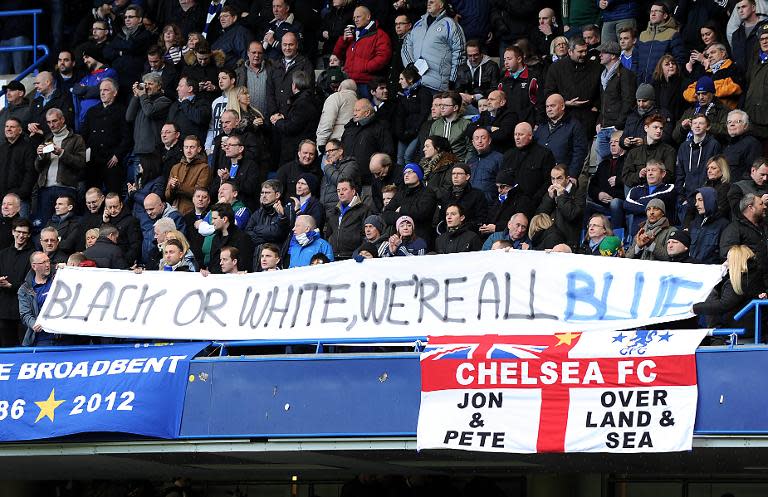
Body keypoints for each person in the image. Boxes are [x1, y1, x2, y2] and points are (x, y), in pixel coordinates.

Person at [694, 245, 765, 337]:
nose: (725, 263)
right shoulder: (755, 275)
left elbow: (724, 304)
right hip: (754, 329)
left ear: (735, 261)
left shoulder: (739, 281)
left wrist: (695, 308)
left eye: (728, 260)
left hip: (741, 332)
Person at [33, 109, 86, 229]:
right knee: (44, 226)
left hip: (66, 188)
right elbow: (37, 168)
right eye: (49, 122)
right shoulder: (47, 139)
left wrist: (62, 153)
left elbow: (81, 163)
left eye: (55, 121)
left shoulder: (76, 139)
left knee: (65, 227)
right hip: (46, 189)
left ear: (62, 120)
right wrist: (40, 156)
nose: (52, 125)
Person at [401, 0, 466, 93]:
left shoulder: (450, 25)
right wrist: (410, 65)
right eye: (428, 1)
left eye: (432, 1)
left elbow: (459, 52)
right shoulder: (418, 24)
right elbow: (406, 46)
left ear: (441, 5)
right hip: (415, 84)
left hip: (437, 86)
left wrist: (453, 79)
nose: (428, 2)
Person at [544, 37, 602, 139]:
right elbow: (549, 92)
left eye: (585, 51)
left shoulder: (596, 67)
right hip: (565, 117)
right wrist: (565, 103)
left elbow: (602, 90)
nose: (584, 54)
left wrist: (596, 106)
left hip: (588, 117)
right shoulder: (556, 68)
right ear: (570, 52)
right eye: (580, 51)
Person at [81, 78, 131, 193]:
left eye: (106, 90)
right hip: (93, 161)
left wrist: (117, 155)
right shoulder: (92, 111)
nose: (102, 93)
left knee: (113, 193)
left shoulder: (122, 111)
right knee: (92, 193)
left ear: (115, 93)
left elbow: (127, 137)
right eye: (100, 90)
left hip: (111, 160)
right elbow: (84, 135)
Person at [332, 5, 391, 96]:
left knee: (365, 109)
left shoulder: (380, 35)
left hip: (367, 83)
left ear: (368, 17)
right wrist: (343, 40)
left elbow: (383, 57)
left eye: (358, 17)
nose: (355, 20)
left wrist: (365, 67)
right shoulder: (353, 35)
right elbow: (337, 54)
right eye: (354, 18)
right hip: (349, 81)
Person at [502, 122, 556, 219]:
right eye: (515, 134)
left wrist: (534, 200)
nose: (517, 138)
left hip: (533, 206)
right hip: (509, 204)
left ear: (530, 136)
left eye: (521, 134)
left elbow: (548, 181)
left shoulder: (544, 154)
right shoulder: (508, 155)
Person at [595, 40, 637, 163]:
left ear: (613, 55)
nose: (600, 55)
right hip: (603, 127)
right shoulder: (603, 76)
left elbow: (628, 101)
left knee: (618, 163)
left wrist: (618, 125)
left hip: (616, 128)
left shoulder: (626, 74)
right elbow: (603, 102)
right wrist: (599, 121)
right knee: (601, 166)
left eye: (603, 52)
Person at [675, 114, 722, 222]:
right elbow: (680, 173)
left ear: (708, 127)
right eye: (694, 123)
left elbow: (717, 172)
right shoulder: (684, 146)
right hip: (687, 199)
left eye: (701, 123)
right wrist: (682, 198)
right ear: (690, 126)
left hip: (705, 199)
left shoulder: (714, 145)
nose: (697, 126)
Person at [271, 71, 322, 166]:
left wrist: (277, 121)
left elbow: (292, 127)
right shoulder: (310, 98)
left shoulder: (302, 102)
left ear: (294, 85)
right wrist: (284, 117)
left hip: (295, 151)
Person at [534, 93, 589, 179]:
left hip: (562, 177)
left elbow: (579, 153)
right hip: (540, 176)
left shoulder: (574, 125)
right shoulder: (542, 126)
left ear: (562, 106)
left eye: (552, 106)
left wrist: (572, 176)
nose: (549, 109)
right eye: (547, 107)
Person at [381, 163, 438, 246]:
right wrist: (403, 219)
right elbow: (386, 214)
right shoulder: (400, 193)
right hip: (398, 240)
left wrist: (401, 210)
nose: (406, 175)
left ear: (419, 175)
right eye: (404, 173)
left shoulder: (428, 193)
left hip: (420, 238)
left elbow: (422, 212)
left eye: (410, 172)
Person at [341, 98, 394, 185]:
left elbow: (387, 153)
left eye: (357, 110)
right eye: (354, 110)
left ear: (367, 113)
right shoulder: (349, 128)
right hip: (349, 181)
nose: (354, 113)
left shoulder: (380, 128)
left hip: (370, 182)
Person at [0, 219, 34, 347]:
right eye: (18, 232)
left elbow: (32, 282)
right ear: (13, 232)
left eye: (24, 233)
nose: (21, 235)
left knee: (23, 348)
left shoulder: (33, 255)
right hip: (3, 311)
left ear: (29, 235)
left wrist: (11, 285)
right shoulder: (2, 254)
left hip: (23, 312)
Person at [635, 1, 686, 84]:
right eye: (651, 11)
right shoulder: (642, 35)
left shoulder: (673, 34)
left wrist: (669, 80)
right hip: (641, 84)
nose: (653, 14)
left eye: (656, 11)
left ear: (665, 15)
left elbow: (679, 60)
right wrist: (636, 76)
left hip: (662, 85)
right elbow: (635, 60)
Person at [720, 193, 768, 281]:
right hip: (749, 282)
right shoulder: (734, 229)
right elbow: (728, 253)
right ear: (751, 207)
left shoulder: (764, 226)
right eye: (761, 204)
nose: (765, 207)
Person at [535, 164, 585, 247]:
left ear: (567, 179)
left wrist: (561, 196)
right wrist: (549, 199)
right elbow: (540, 216)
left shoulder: (578, 193)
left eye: (559, 178)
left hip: (567, 241)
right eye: (553, 179)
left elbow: (571, 215)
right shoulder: (550, 193)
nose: (555, 182)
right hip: (548, 237)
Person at [622, 114, 676, 189]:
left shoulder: (669, 151)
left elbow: (670, 176)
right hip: (637, 191)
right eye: (655, 127)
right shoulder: (634, 152)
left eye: (661, 128)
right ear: (646, 128)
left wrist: (654, 175)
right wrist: (639, 175)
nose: (659, 131)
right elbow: (625, 177)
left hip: (658, 191)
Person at [682, 44, 743, 111]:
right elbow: (687, 93)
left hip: (726, 114)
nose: (710, 56)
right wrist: (712, 90)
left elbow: (736, 88)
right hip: (705, 115)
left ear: (723, 53)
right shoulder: (706, 73)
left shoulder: (733, 68)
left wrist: (703, 91)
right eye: (708, 55)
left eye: (713, 52)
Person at [672, 76, 729, 144]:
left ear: (713, 93)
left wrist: (708, 126)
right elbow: (675, 137)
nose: (701, 97)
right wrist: (683, 128)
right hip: (690, 150)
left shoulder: (722, 110)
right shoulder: (691, 110)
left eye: (704, 93)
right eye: (698, 94)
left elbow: (728, 131)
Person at [587, 130, 626, 227]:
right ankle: (585, 239)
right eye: (611, 142)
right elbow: (592, 186)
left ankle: (617, 237)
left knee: (615, 203)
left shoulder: (628, 161)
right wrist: (598, 194)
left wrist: (618, 181)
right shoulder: (603, 164)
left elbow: (632, 181)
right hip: (602, 205)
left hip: (621, 204)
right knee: (586, 205)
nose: (612, 145)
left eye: (616, 142)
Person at [245, 179, 291, 261]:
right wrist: (267, 237)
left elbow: (277, 233)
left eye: (267, 193)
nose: (263, 196)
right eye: (262, 193)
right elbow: (248, 233)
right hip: (257, 256)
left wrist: (256, 229)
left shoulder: (285, 211)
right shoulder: (257, 213)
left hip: (276, 257)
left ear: (277, 195)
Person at [394, 67, 432, 165]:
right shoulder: (403, 95)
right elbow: (399, 115)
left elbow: (424, 114)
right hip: (404, 132)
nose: (399, 82)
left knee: (408, 156)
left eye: (402, 79)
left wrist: (414, 130)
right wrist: (400, 132)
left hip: (417, 132)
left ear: (410, 79)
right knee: (399, 158)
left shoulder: (423, 92)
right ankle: (400, 179)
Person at [166, 135, 211, 216]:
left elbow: (199, 194)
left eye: (192, 147)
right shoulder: (175, 167)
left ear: (199, 149)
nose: (188, 150)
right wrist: (171, 187)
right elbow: (167, 195)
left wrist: (179, 186)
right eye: (186, 147)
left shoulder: (204, 168)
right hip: (174, 210)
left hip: (192, 212)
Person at [0, 118, 36, 218]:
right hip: (2, 199)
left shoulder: (28, 148)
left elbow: (30, 173)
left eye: (12, 127)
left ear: (20, 130)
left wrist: (22, 193)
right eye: (7, 126)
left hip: (20, 199)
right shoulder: (1, 148)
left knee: (21, 228)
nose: (8, 129)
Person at [326, 178, 369, 260]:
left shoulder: (364, 210)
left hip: (353, 257)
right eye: (338, 191)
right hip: (334, 257)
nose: (341, 193)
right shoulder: (334, 212)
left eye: (344, 190)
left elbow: (366, 235)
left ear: (353, 192)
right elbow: (328, 234)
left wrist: (359, 252)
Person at [206, 202, 254, 273]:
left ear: (224, 219)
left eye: (214, 218)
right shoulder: (215, 238)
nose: (212, 222)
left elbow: (245, 266)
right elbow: (212, 264)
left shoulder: (242, 238)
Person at [455, 40, 501, 110]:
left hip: (486, 102)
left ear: (481, 54)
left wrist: (474, 97)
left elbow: (494, 88)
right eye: (470, 56)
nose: (473, 59)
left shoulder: (492, 66)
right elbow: (458, 89)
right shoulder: (462, 68)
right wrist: (462, 96)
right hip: (467, 103)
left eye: (475, 55)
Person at [690, 187, 730, 264]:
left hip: (711, 270)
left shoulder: (723, 224)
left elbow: (723, 254)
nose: (696, 204)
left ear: (710, 200)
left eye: (700, 200)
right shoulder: (694, 223)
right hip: (692, 269)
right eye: (696, 200)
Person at [102, 192, 142, 266]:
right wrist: (105, 223)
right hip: (107, 262)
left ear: (121, 205)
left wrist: (124, 262)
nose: (113, 210)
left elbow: (135, 246)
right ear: (105, 208)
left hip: (123, 263)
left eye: (115, 206)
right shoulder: (106, 221)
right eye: (109, 207)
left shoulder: (131, 221)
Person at [316, 79, 357, 151]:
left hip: (333, 144)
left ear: (340, 87)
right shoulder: (358, 101)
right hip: (352, 143)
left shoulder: (336, 97)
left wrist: (321, 143)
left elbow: (327, 122)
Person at [467, 128, 504, 207]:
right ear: (473, 142)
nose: (480, 141)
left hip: (490, 205)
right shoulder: (470, 161)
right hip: (471, 204)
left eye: (483, 138)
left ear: (489, 140)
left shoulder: (499, 158)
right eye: (476, 138)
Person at [723, 109, 763, 181]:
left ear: (745, 126)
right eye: (729, 122)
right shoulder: (726, 145)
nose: (732, 124)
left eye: (737, 121)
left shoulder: (752, 144)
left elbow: (752, 174)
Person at [730, 0, 768, 71]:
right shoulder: (736, 35)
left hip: (762, 75)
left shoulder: (766, 26)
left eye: (744, 7)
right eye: (738, 8)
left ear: (753, 8)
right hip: (742, 78)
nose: (740, 10)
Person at [420, 136, 461, 200]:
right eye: (424, 146)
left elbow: (447, 190)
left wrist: (427, 191)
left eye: (427, 146)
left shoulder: (449, 166)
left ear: (438, 148)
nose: (424, 149)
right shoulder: (422, 166)